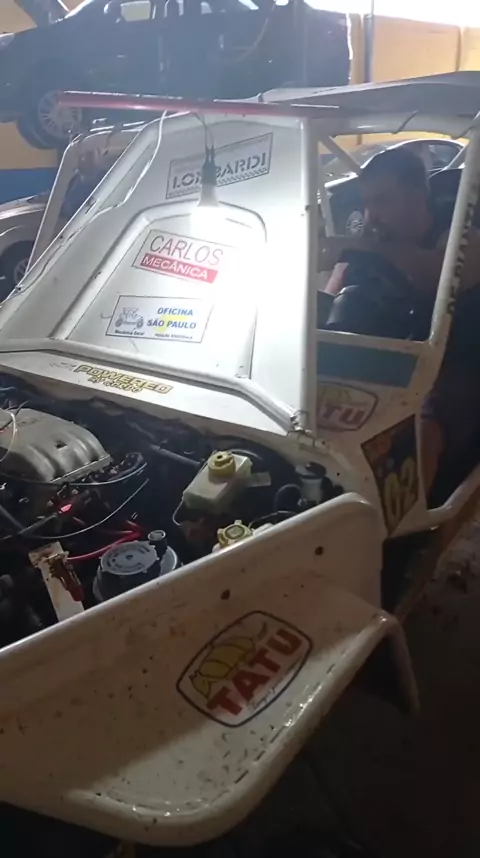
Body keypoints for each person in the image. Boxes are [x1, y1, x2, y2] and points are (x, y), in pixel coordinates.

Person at [322, 147, 480, 496]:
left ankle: (416, 518)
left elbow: (445, 273)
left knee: (422, 420)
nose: (372, 215)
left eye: (382, 201)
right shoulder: (379, 240)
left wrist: (371, 249)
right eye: (368, 203)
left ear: (417, 194)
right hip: (405, 352)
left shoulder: (457, 223)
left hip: (464, 353)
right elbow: (334, 291)